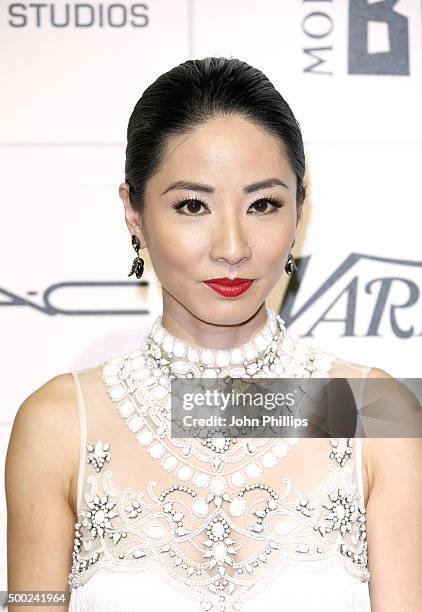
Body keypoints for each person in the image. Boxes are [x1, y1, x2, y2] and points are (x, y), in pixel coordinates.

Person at [5, 57, 422, 612]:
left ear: (299, 208)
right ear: (133, 212)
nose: (232, 247)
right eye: (193, 205)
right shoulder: (59, 422)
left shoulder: (375, 412)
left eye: (263, 204)